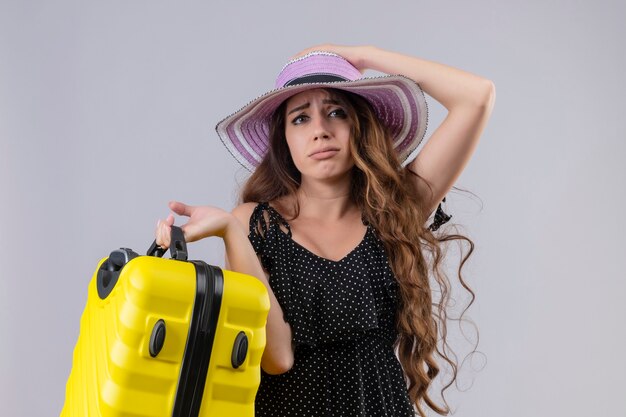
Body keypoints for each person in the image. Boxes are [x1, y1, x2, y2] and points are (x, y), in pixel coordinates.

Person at [155, 44, 495, 417]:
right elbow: (277, 358)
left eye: (337, 113)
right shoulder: (255, 224)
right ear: (283, 138)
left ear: (359, 127)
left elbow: (477, 97)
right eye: (300, 118)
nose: (319, 130)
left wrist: (362, 56)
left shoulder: (394, 210)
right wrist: (229, 232)